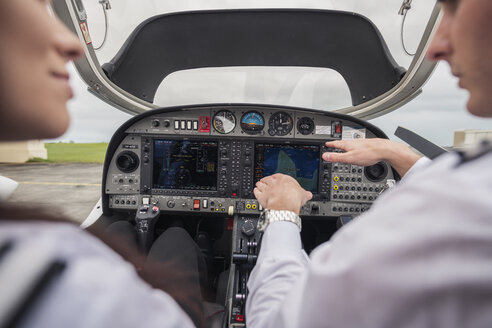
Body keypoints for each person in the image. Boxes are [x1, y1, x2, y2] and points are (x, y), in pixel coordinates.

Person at [246, 0, 492, 327]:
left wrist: (282, 214)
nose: (435, 47)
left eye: (455, 9)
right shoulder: (468, 193)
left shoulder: (452, 206)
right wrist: (398, 153)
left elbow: (274, 320)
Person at [0, 1, 206, 327]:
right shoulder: (50, 273)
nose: (72, 44)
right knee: (178, 238)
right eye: (37, 7)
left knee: (121, 228)